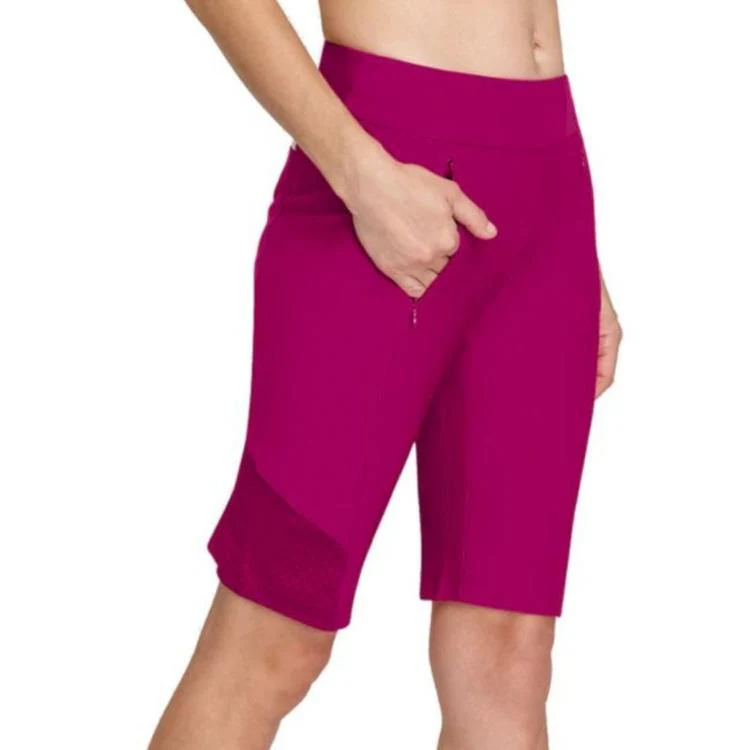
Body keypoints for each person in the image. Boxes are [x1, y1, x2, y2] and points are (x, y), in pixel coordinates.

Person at [149, 0, 623, 747]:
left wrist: (565, 239)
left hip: (546, 189)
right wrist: (357, 170)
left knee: (508, 657)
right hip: (381, 168)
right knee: (277, 627)